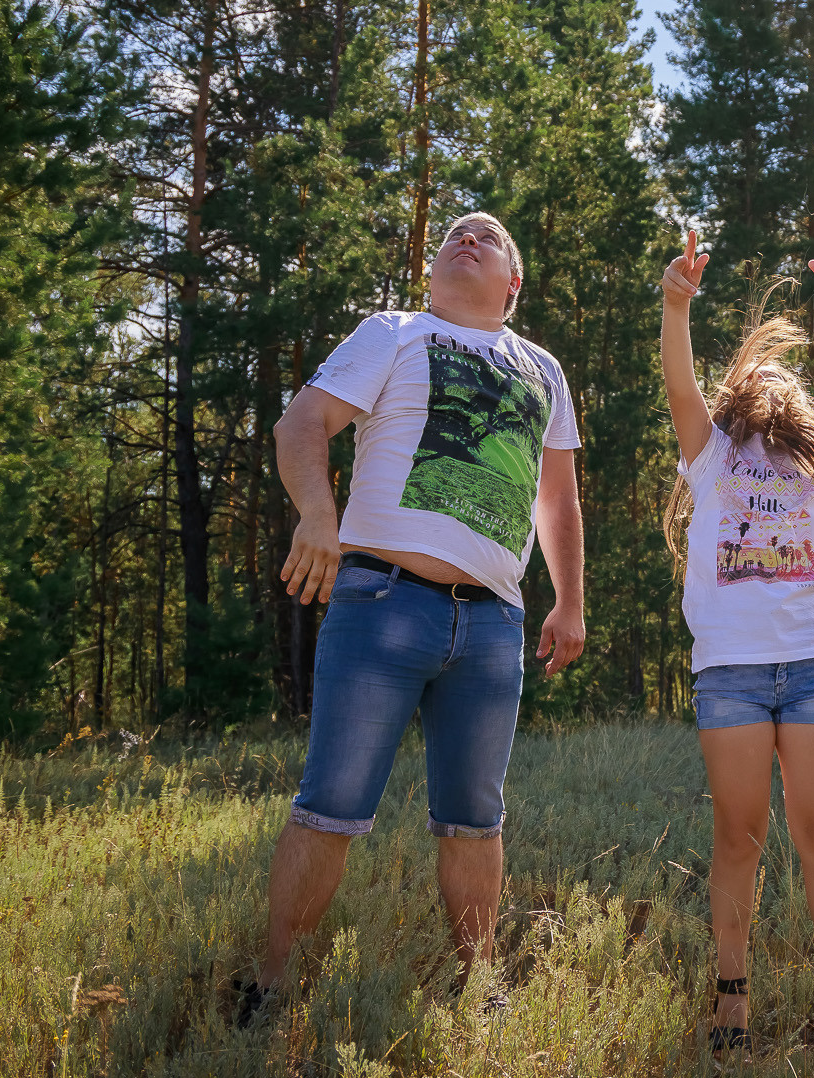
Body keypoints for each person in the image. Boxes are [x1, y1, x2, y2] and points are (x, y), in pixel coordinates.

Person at [238, 211, 587, 1023]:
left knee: (475, 818)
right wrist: (317, 516)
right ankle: (271, 988)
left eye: (487, 236)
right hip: (383, 603)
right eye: (453, 235)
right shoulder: (392, 332)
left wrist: (571, 599)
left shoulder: (543, 369)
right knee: (331, 803)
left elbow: (558, 498)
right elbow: (300, 424)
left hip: (494, 627)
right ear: (433, 270)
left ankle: (478, 991)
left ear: (514, 282)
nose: (466, 238)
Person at [659, 228, 814, 1052]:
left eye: (779, 376)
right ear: (734, 393)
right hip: (732, 674)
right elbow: (678, 380)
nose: (768, 382)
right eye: (751, 376)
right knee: (739, 835)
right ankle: (731, 993)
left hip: (810, 667)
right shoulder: (709, 455)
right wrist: (677, 306)